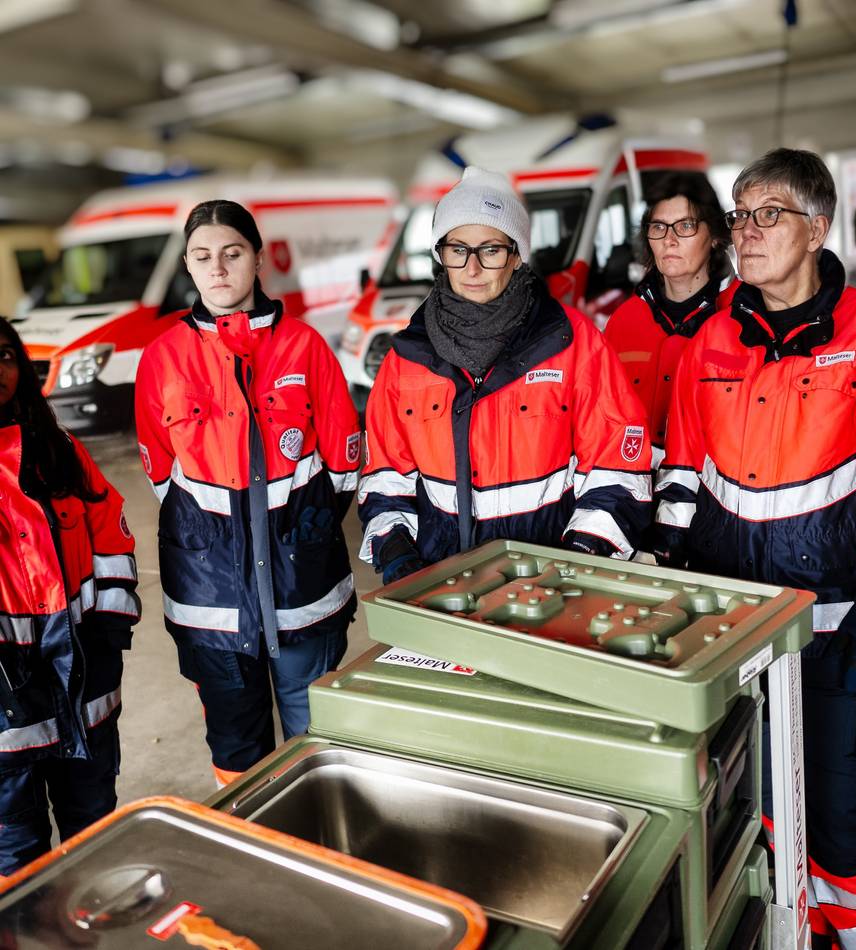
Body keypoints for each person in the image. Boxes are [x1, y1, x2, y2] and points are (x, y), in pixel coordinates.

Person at [655, 149, 856, 950]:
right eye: (740, 215)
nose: (746, 231)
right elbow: (682, 474)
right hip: (733, 630)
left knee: (839, 808)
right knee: (756, 797)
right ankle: (796, 928)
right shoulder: (711, 341)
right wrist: (663, 569)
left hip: (838, 626)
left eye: (768, 214)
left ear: (817, 229)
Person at [135, 200, 360, 788]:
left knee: (318, 739)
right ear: (188, 265)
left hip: (303, 590)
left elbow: (343, 466)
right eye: (202, 256)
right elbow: (162, 474)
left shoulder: (305, 346)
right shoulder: (162, 358)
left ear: (258, 259)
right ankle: (247, 837)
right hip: (209, 597)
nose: (217, 268)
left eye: (232, 253)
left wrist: (300, 527)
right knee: (236, 752)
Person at [359, 166, 652, 579]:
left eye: (491, 250)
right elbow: (385, 478)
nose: (472, 268)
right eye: (458, 249)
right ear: (440, 255)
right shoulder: (407, 359)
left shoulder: (573, 344)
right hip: (441, 586)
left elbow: (615, 467)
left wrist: (578, 560)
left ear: (516, 256)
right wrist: (398, 557)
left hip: (551, 586)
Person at [0, 317, 140, 874]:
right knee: (17, 862)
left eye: (6, 355)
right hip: (6, 712)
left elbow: (112, 535)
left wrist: (108, 632)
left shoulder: (57, 449)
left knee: (96, 839)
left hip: (84, 686)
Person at [604, 171, 737, 467]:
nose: (669, 240)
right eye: (659, 227)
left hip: (711, 490)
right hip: (633, 489)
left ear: (715, 237)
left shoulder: (744, 316)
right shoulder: (623, 322)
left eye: (686, 226)